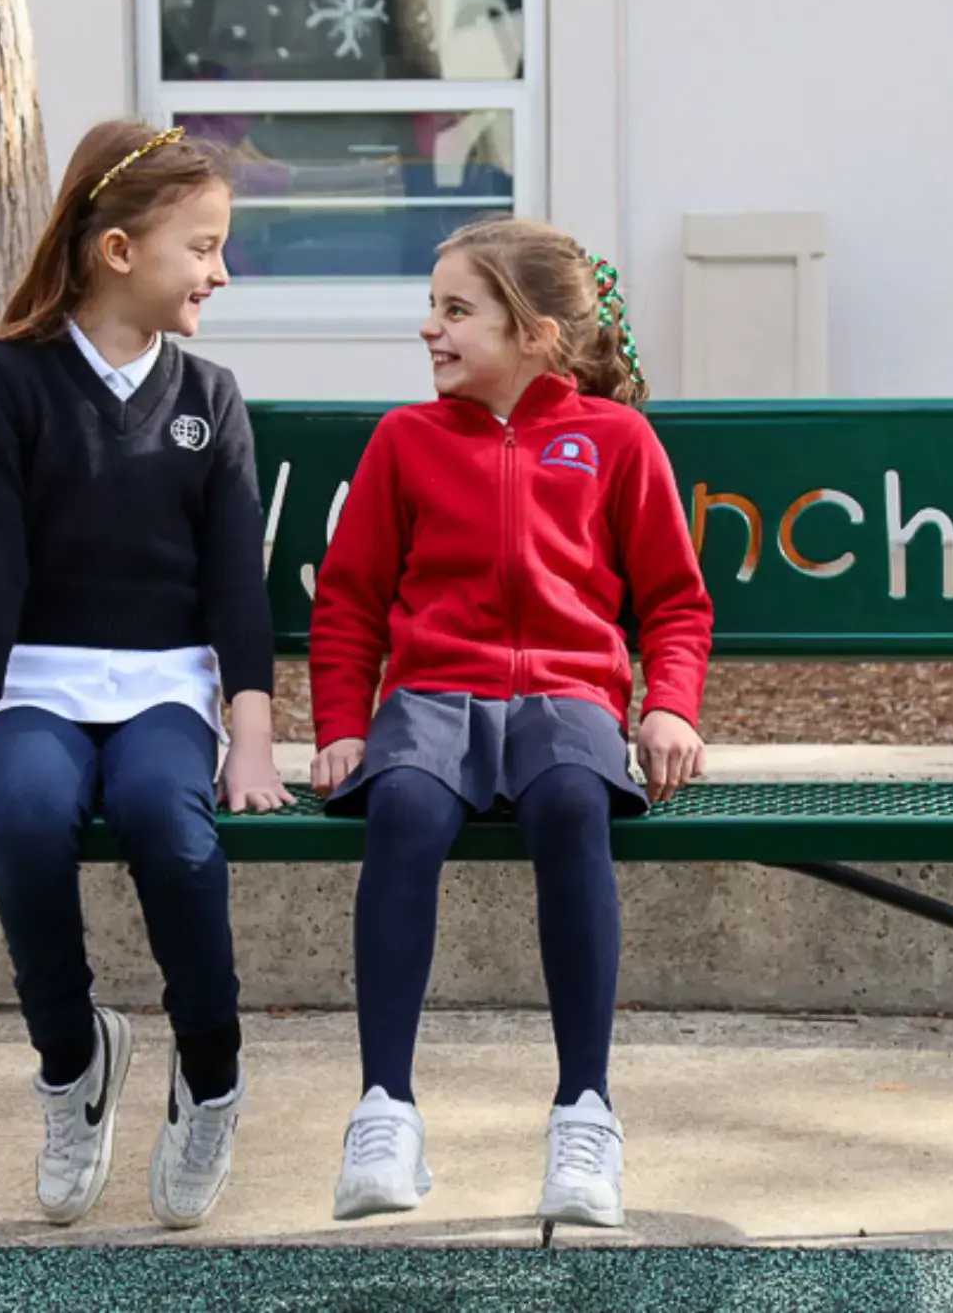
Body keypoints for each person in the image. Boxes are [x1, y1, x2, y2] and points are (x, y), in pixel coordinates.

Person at [0, 121, 292, 1230]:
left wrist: (248, 739)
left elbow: (233, 594)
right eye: (201, 247)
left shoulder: (212, 395)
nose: (219, 271)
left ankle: (210, 1074)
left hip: (166, 690)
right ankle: (73, 1060)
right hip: (39, 689)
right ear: (117, 251)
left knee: (168, 817)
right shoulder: (8, 381)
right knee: (26, 815)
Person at [307, 217, 714, 1229]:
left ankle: (585, 1115)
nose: (430, 331)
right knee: (400, 809)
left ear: (533, 333)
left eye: (455, 311)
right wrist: (342, 724)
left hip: (567, 700)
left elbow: (673, 601)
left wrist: (666, 704)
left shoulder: (616, 441)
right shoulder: (403, 441)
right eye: (431, 308)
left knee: (576, 803)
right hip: (433, 699)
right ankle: (383, 1109)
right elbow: (351, 600)